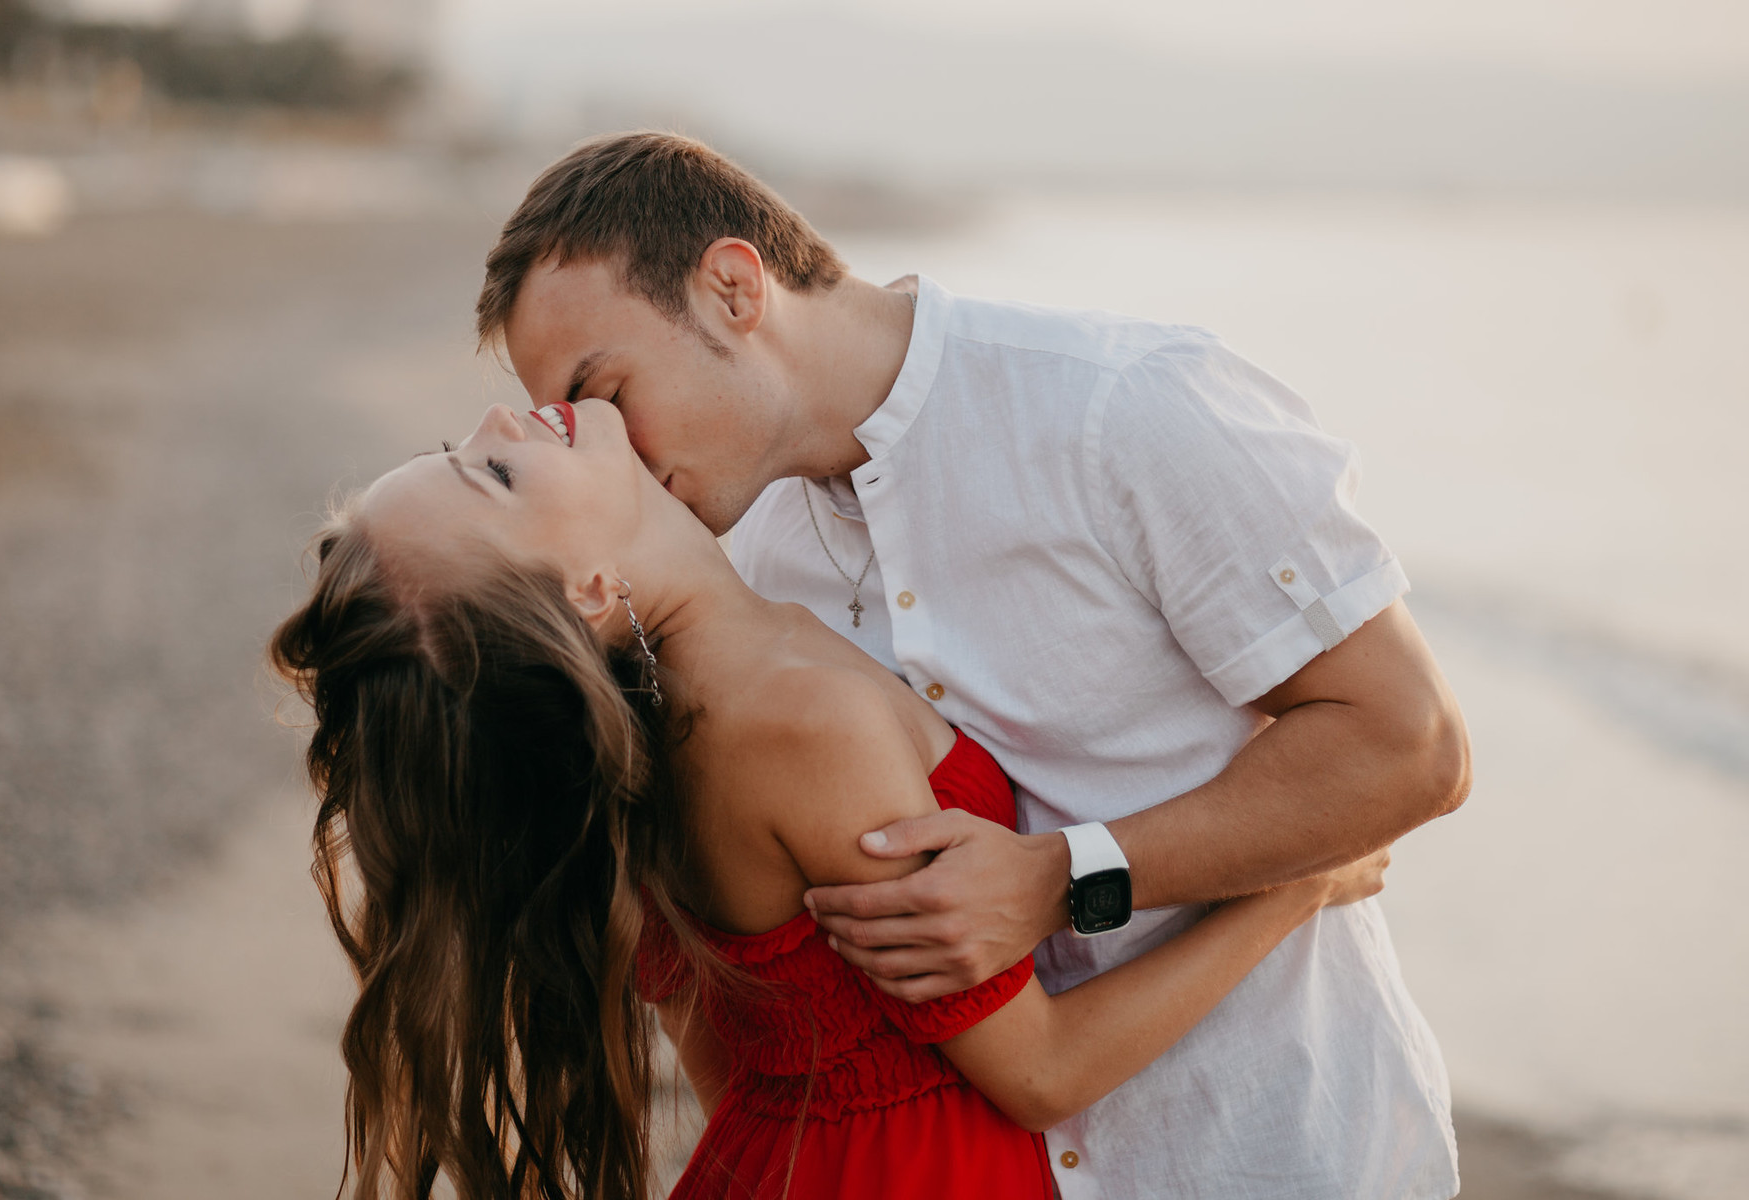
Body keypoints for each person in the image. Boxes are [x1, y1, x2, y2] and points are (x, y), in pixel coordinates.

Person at [474, 132, 1473, 1199]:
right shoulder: (746, 567)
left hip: (1270, 1149)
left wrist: (1068, 879)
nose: (610, 446)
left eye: (608, 390)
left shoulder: (1122, 411)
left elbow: (1412, 744)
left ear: (732, 288)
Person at [269, 399, 1391, 1200]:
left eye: (461, 447)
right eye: (494, 476)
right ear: (590, 591)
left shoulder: (657, 728)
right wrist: (1294, 886)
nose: (506, 422)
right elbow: (1043, 1072)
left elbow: (721, 1047)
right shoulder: (795, 723)